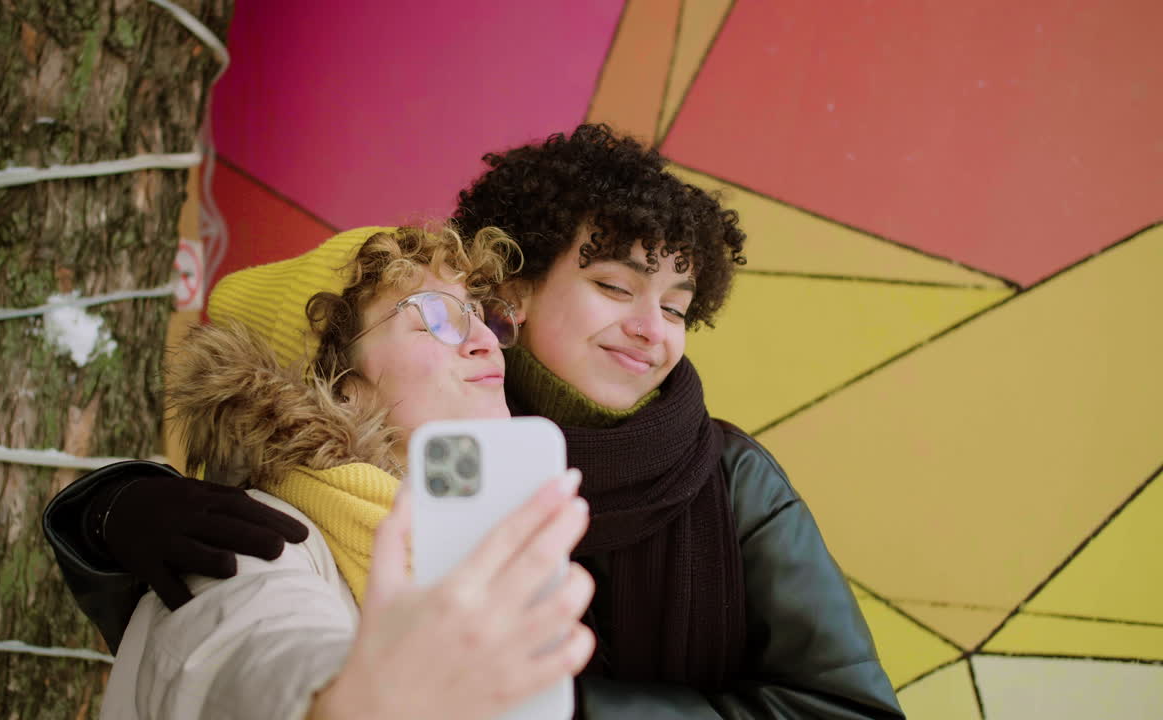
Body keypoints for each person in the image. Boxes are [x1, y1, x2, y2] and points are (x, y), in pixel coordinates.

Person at [45, 125, 904, 718]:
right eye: (614, 286)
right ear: (518, 296)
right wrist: (116, 507)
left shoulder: (729, 478)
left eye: (680, 307)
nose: (653, 329)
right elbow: (247, 641)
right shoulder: (417, 458)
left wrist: (540, 701)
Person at [96, 224, 595, 719]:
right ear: (337, 384)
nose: (486, 339)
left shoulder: (470, 542)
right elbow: (248, 653)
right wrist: (345, 701)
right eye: (437, 317)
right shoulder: (250, 537)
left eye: (480, 314)